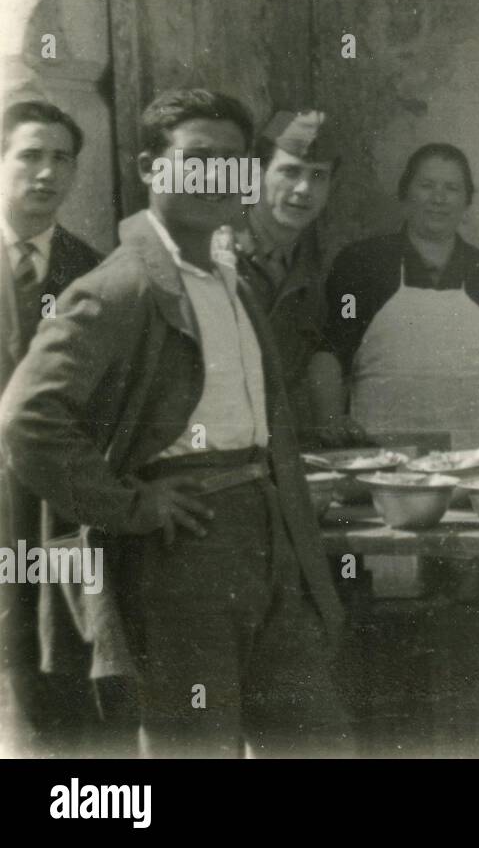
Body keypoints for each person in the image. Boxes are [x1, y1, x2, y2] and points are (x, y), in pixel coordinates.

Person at [0, 88, 349, 757]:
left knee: (316, 739)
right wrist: (131, 505)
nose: (218, 177)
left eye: (235, 162)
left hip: (269, 543)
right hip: (181, 552)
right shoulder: (119, 286)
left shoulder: (232, 282)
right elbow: (26, 420)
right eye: (198, 158)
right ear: (148, 168)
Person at [310, 142, 479, 449]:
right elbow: (330, 352)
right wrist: (331, 422)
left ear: (467, 201)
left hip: (478, 456)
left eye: (452, 188)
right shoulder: (363, 264)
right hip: (382, 458)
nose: (439, 199)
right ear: (406, 194)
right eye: (427, 185)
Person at [0, 101, 103, 755]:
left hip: (54, 503)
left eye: (61, 158)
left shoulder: (89, 269)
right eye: (29, 155)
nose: (46, 172)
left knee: (55, 653)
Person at [231, 109, 345, 444]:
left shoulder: (306, 270)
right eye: (290, 172)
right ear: (257, 175)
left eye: (318, 176)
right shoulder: (216, 256)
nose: (304, 189)